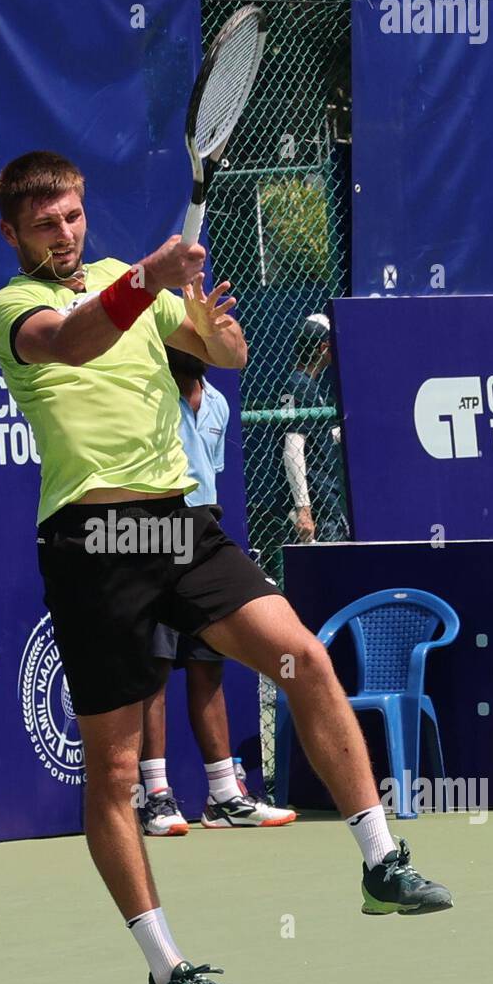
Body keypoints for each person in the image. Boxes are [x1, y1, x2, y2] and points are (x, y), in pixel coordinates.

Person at [0, 151, 452, 984]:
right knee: (117, 773)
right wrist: (147, 287)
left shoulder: (129, 280)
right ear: (12, 233)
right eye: (45, 224)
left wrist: (200, 323)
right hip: (93, 542)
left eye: (74, 216)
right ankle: (168, 974)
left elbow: (225, 355)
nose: (65, 233)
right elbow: (76, 341)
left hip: (178, 524)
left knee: (305, 658)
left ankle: (381, 861)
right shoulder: (16, 308)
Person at [138, 347, 296, 835]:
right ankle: (156, 798)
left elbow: (210, 480)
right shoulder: (150, 398)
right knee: (154, 673)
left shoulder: (220, 405)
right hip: (156, 534)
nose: (197, 351)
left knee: (209, 667)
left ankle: (224, 796)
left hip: (204, 534)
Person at [279, 312, 351, 544]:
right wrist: (304, 510)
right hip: (318, 505)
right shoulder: (300, 385)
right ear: (322, 348)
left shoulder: (304, 384)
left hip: (325, 500)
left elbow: (319, 437)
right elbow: (293, 447)